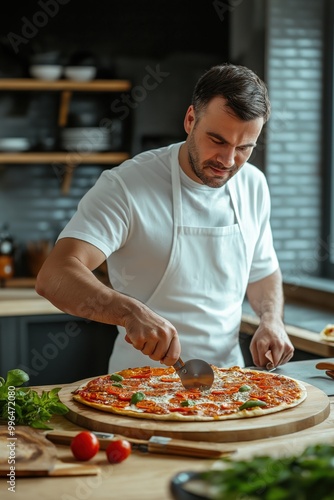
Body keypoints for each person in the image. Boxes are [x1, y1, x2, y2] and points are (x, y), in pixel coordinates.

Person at [36, 63, 294, 372]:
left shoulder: (253, 184)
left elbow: (262, 272)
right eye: (218, 140)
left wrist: (272, 320)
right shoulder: (125, 186)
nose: (228, 160)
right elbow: (55, 275)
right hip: (138, 388)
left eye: (244, 148)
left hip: (230, 383)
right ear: (190, 120)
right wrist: (129, 312)